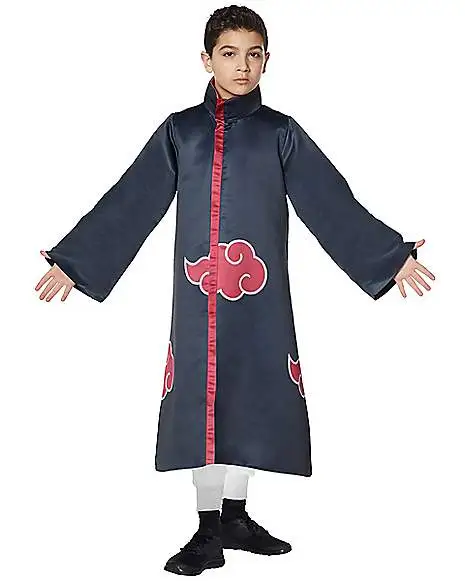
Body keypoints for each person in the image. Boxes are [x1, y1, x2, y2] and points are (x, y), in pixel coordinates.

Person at [35, 4, 436, 576]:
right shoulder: (181, 131)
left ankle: (236, 517)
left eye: (254, 55)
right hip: (199, 297)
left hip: (260, 298)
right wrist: (76, 261)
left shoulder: (280, 133)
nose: (242, 66)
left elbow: (329, 200)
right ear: (206, 60)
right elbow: (133, 198)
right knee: (202, 399)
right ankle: (206, 528)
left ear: (267, 60)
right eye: (229, 54)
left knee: (250, 395)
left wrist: (388, 257)